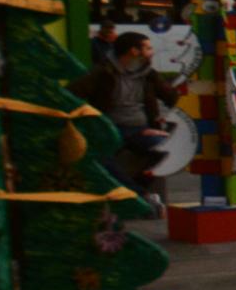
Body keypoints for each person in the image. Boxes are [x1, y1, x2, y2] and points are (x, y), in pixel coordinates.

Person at [72, 31, 179, 204]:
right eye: (148, 48)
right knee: (99, 157)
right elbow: (73, 93)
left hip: (141, 129)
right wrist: (88, 120)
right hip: (109, 128)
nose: (152, 52)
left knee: (167, 150)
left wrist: (167, 124)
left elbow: (172, 97)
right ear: (133, 51)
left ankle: (136, 191)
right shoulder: (103, 72)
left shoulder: (148, 74)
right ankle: (137, 196)